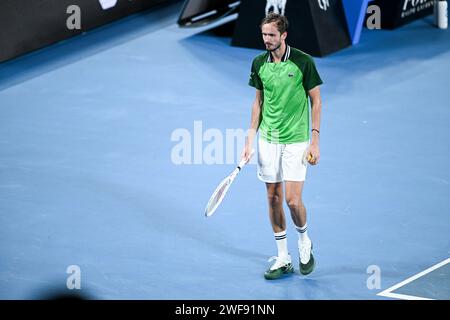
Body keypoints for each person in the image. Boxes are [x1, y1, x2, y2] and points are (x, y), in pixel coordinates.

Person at [241, 13, 323, 280]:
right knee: (273, 197)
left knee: (292, 200)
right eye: (264, 35)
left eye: (271, 35)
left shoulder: (303, 62)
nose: (266, 40)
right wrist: (250, 137)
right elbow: (258, 102)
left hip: (297, 139)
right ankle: (283, 256)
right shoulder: (258, 63)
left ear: (283, 35)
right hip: (269, 138)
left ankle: (304, 241)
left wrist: (315, 140)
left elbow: (316, 101)